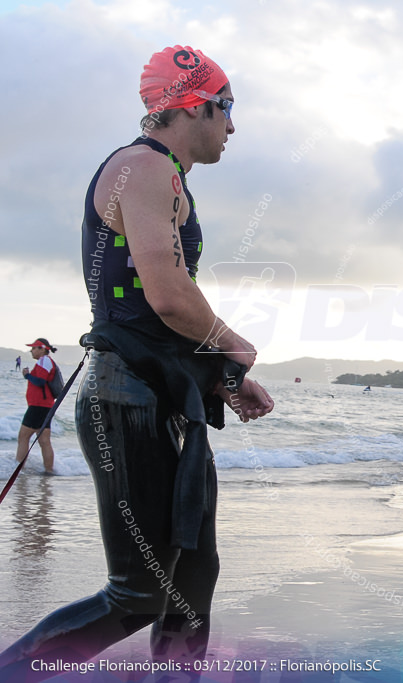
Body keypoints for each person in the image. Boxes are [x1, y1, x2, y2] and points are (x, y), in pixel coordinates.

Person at [0, 46, 274, 681]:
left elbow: (163, 313)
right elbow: (168, 295)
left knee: (193, 579)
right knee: (139, 594)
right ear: (192, 104)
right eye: (226, 108)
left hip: (162, 395)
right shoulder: (142, 167)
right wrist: (237, 345)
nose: (232, 126)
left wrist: (224, 374)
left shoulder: (166, 176)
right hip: (127, 401)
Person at [15, 339, 59, 474]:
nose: (31, 351)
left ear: (42, 348)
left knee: (23, 437)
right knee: (44, 441)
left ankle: (18, 471)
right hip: (45, 406)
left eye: (34, 348)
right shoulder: (45, 361)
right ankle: (49, 471)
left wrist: (27, 375)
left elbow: (40, 382)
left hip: (39, 406)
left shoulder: (44, 360)